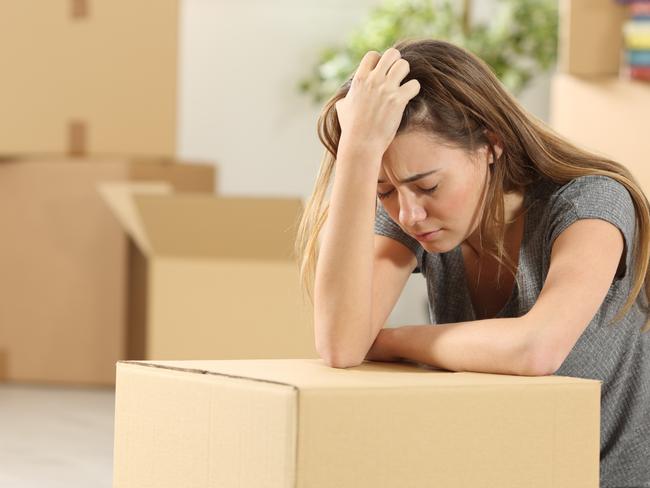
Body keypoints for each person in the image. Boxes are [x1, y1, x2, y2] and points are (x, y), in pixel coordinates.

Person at [294, 38, 649, 485]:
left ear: (491, 144)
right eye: (384, 192)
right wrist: (357, 153)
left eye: (428, 187)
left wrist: (389, 340)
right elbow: (341, 345)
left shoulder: (589, 203)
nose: (409, 213)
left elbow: (536, 349)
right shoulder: (410, 214)